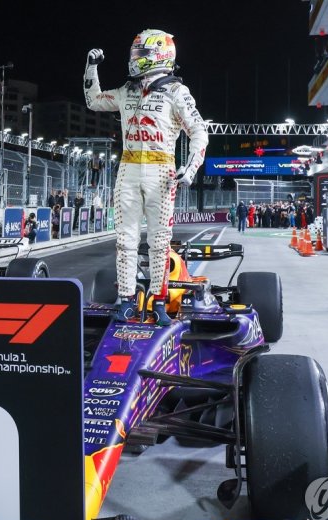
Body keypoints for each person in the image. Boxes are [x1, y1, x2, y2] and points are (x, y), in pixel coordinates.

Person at [85, 29, 208, 325]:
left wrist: (190, 169)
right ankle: (126, 299)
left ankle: (160, 301)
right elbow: (93, 101)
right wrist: (91, 67)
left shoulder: (178, 92)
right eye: (135, 53)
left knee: (159, 241)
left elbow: (199, 132)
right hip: (127, 169)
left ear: (160, 55)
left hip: (162, 171)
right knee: (124, 240)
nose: (134, 59)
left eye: (140, 54)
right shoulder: (127, 90)